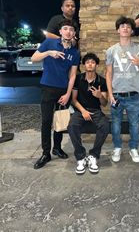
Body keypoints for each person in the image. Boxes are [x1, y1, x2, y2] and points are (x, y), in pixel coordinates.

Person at [32, 19, 80, 169]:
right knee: (46, 122)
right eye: (65, 28)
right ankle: (46, 153)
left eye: (71, 29)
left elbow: (72, 75)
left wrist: (67, 94)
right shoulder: (49, 43)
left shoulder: (75, 51)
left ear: (74, 33)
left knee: (60, 122)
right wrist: (48, 53)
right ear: (60, 31)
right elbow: (33, 59)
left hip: (62, 90)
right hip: (47, 87)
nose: (68, 31)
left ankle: (57, 148)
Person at [106, 16, 139, 163]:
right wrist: (110, 94)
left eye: (128, 27)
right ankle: (117, 147)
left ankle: (134, 148)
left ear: (132, 30)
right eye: (122, 26)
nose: (125, 28)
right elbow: (109, 73)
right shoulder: (111, 51)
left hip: (134, 94)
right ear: (118, 30)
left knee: (134, 123)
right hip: (116, 95)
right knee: (116, 124)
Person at [68, 53, 109, 175]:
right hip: (80, 110)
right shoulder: (78, 79)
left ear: (96, 65)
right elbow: (74, 100)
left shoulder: (102, 81)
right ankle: (80, 157)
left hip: (96, 111)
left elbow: (104, 103)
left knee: (105, 126)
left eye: (92, 62)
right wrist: (83, 111)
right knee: (72, 126)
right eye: (87, 62)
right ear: (84, 65)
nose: (90, 64)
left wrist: (100, 96)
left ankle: (93, 156)